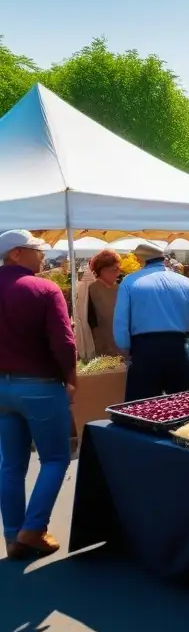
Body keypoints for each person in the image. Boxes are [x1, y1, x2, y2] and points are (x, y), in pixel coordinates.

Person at [0, 230, 77, 558]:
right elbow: (64, 341)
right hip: (41, 387)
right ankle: (34, 529)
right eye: (36, 250)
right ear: (16, 253)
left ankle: (12, 535)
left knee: (10, 464)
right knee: (56, 458)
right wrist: (71, 378)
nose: (43, 256)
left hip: (1, 389)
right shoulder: (44, 288)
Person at [114, 242, 189, 402]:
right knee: (183, 406)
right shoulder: (185, 282)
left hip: (144, 350)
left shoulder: (129, 282)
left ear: (141, 260)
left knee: (141, 409)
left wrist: (126, 350)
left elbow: (121, 324)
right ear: (164, 259)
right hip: (178, 348)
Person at [87, 249, 123, 357]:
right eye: (115, 269)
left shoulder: (120, 287)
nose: (118, 272)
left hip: (122, 341)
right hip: (102, 343)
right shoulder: (91, 289)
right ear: (102, 270)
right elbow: (90, 319)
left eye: (119, 269)